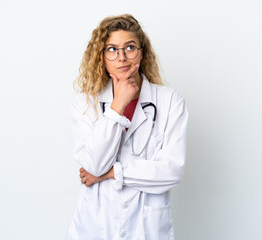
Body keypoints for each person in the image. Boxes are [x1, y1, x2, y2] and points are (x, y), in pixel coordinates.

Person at [66, 14, 188, 240]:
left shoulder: (169, 101)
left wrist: (112, 173)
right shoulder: (85, 104)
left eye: (130, 48)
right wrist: (117, 106)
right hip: (96, 226)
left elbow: (171, 170)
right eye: (112, 49)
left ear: (142, 52)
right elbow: (93, 165)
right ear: (101, 57)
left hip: (146, 228)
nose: (122, 57)